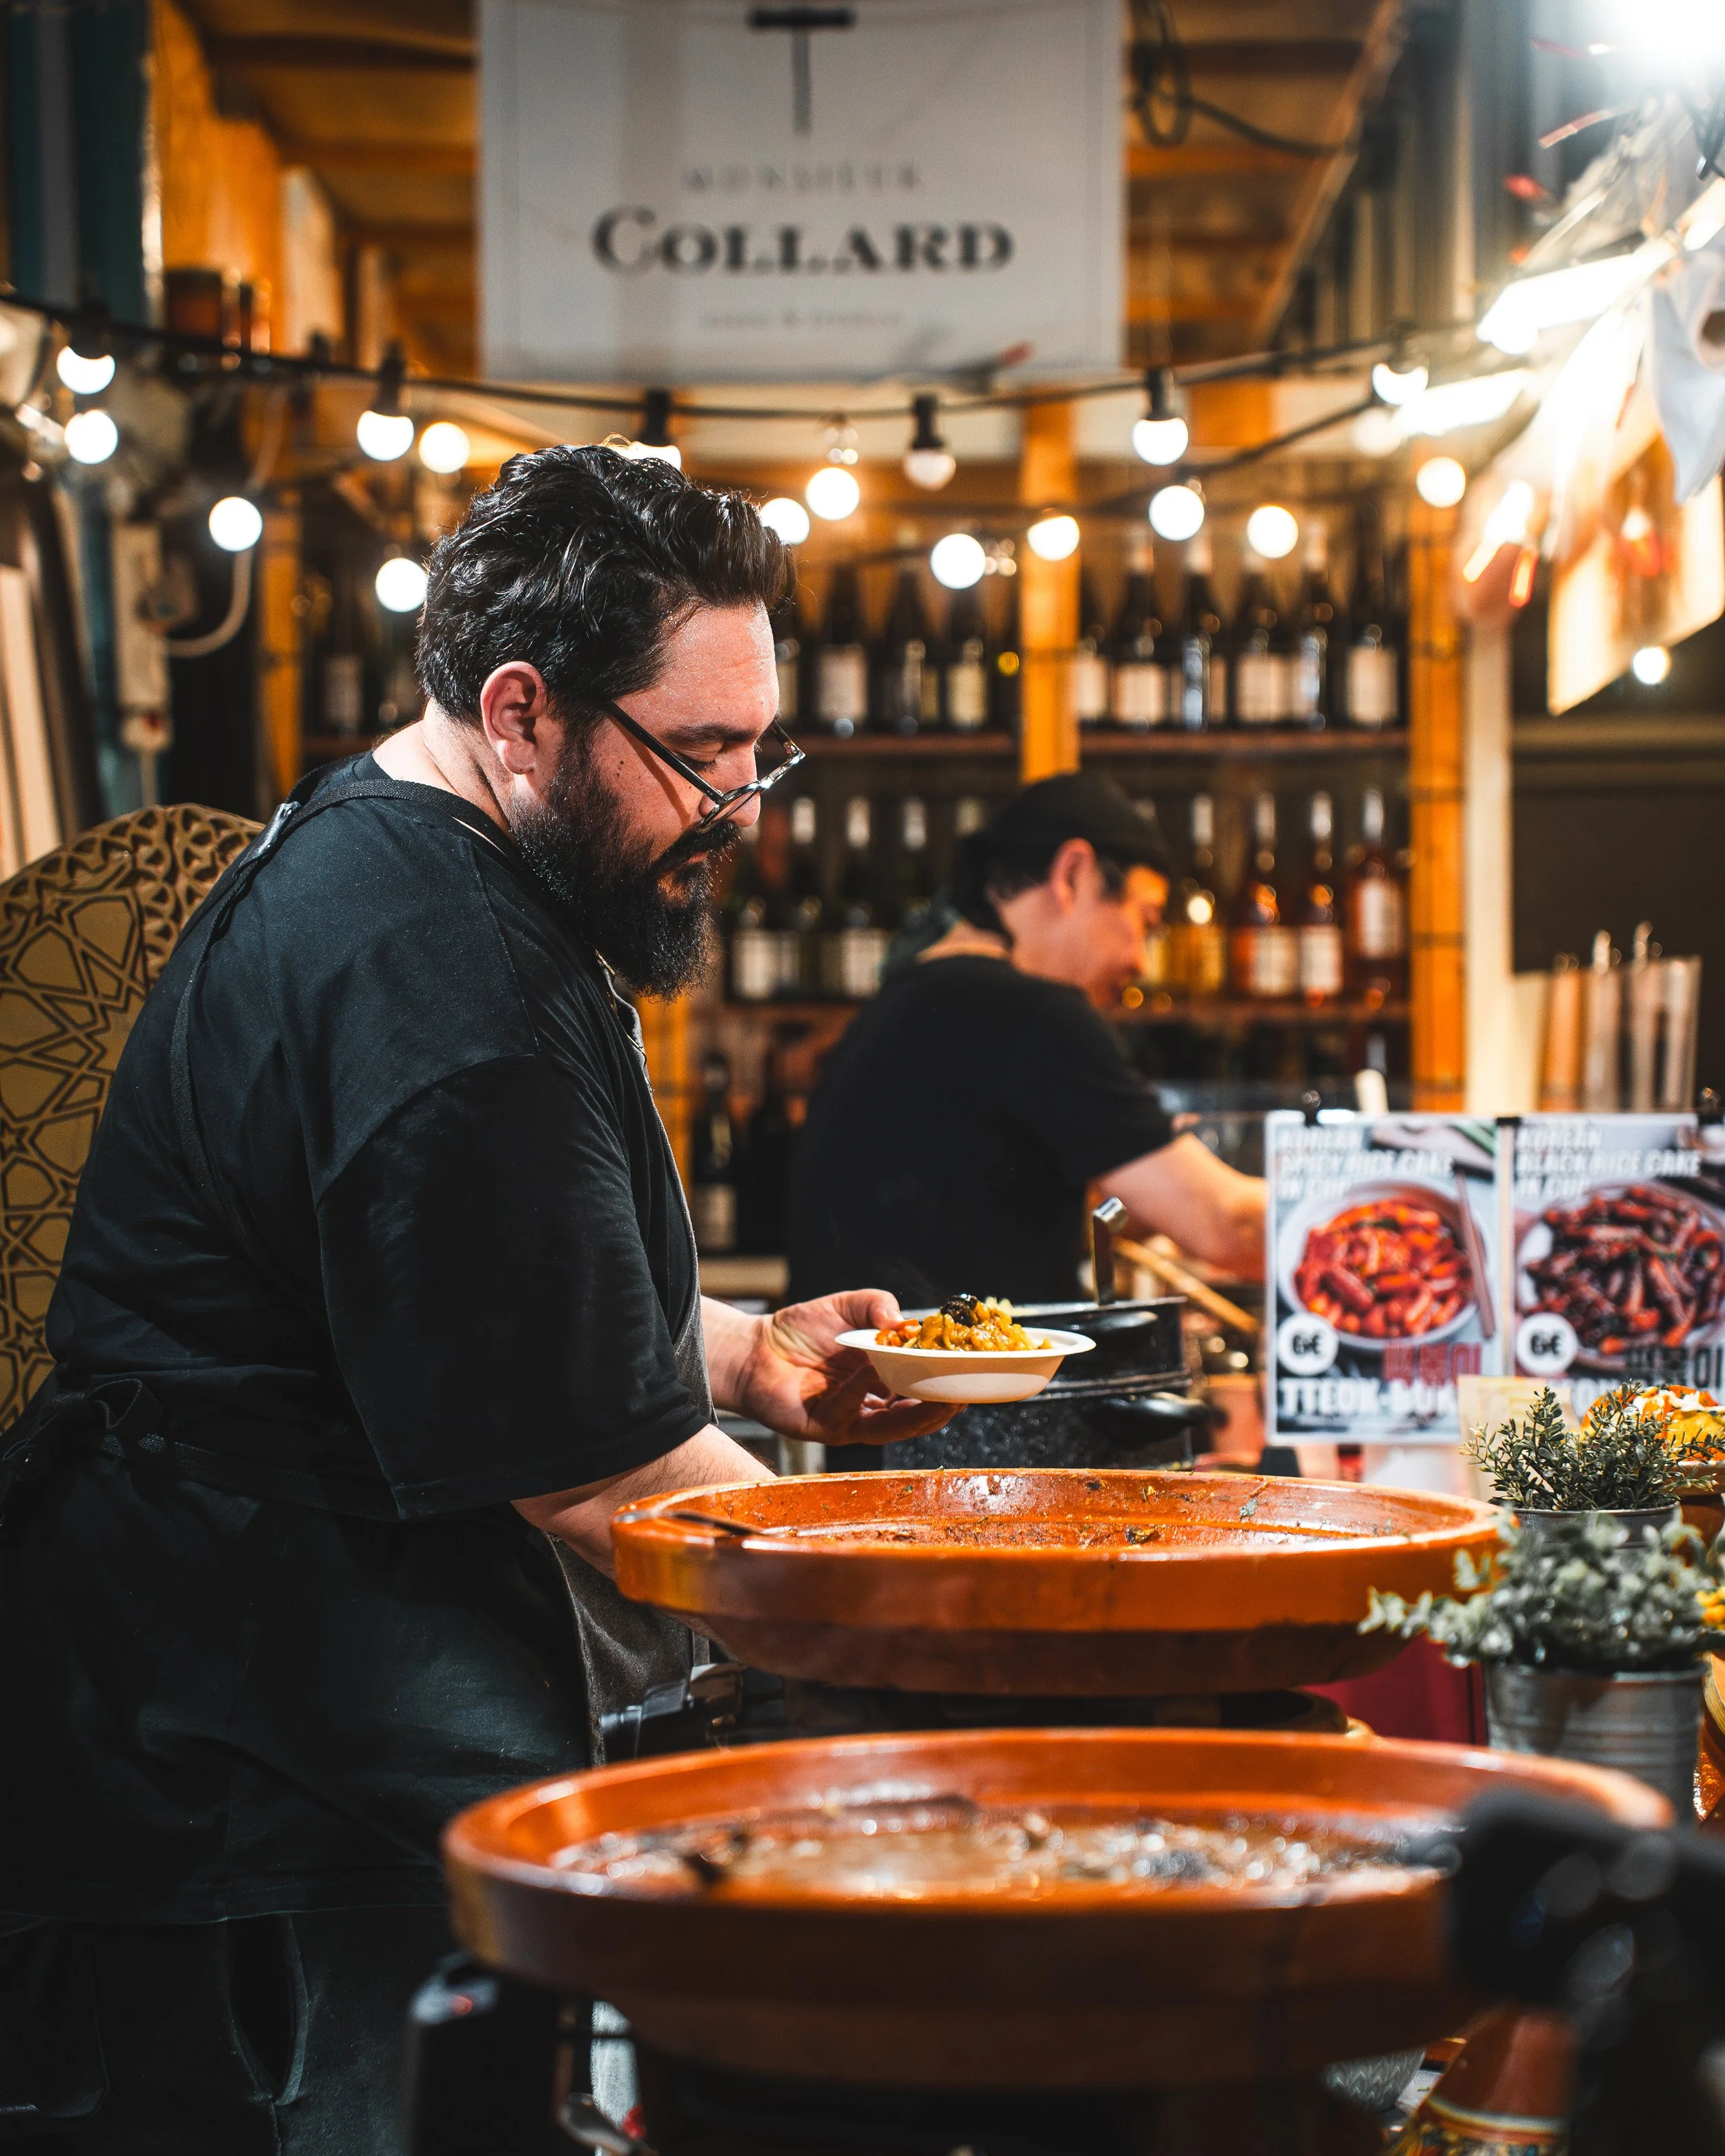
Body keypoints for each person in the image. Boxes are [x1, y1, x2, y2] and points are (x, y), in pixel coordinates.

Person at [0, 446, 948, 2155]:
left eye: (761, 750)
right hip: (255, 1774)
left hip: (256, 1715)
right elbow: (608, 1479)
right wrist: (937, 1597)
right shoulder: (433, 969)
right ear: (523, 711)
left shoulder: (420, 868)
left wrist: (749, 1354)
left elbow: (458, 1297)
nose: (743, 807)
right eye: (702, 757)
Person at [786, 772, 1265, 1310]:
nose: (1140, 961)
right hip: (961, 1390)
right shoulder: (1035, 1014)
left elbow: (976, 1205)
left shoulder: (909, 998)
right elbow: (1231, 1228)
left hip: (869, 1383)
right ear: (1073, 874)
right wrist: (1367, 1193)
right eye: (1145, 919)